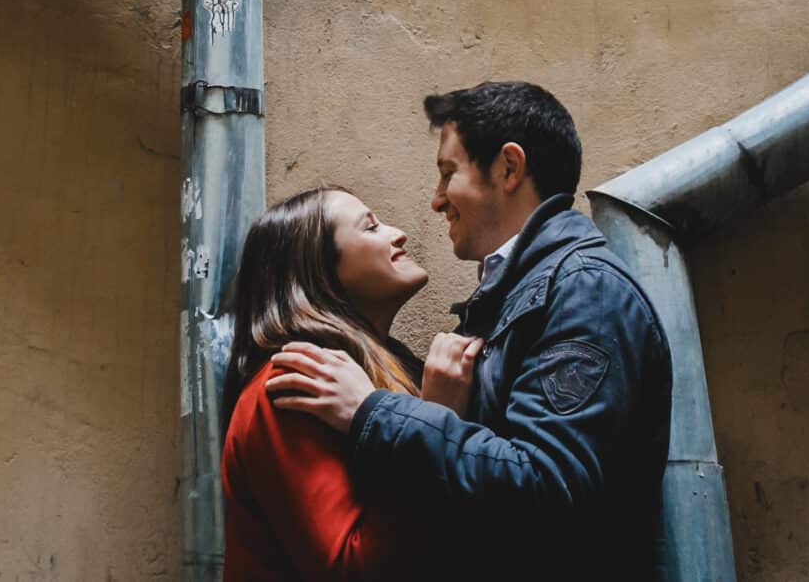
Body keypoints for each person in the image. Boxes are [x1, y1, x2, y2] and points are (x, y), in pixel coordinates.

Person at [266, 82, 671, 574]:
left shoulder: (586, 291)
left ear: (508, 168)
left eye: (447, 173)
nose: (436, 201)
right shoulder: (512, 296)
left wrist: (373, 412)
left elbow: (546, 486)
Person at [221, 186, 471, 579]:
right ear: (319, 272)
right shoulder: (293, 380)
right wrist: (434, 419)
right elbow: (352, 568)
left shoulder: (389, 367)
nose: (398, 234)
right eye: (370, 227)